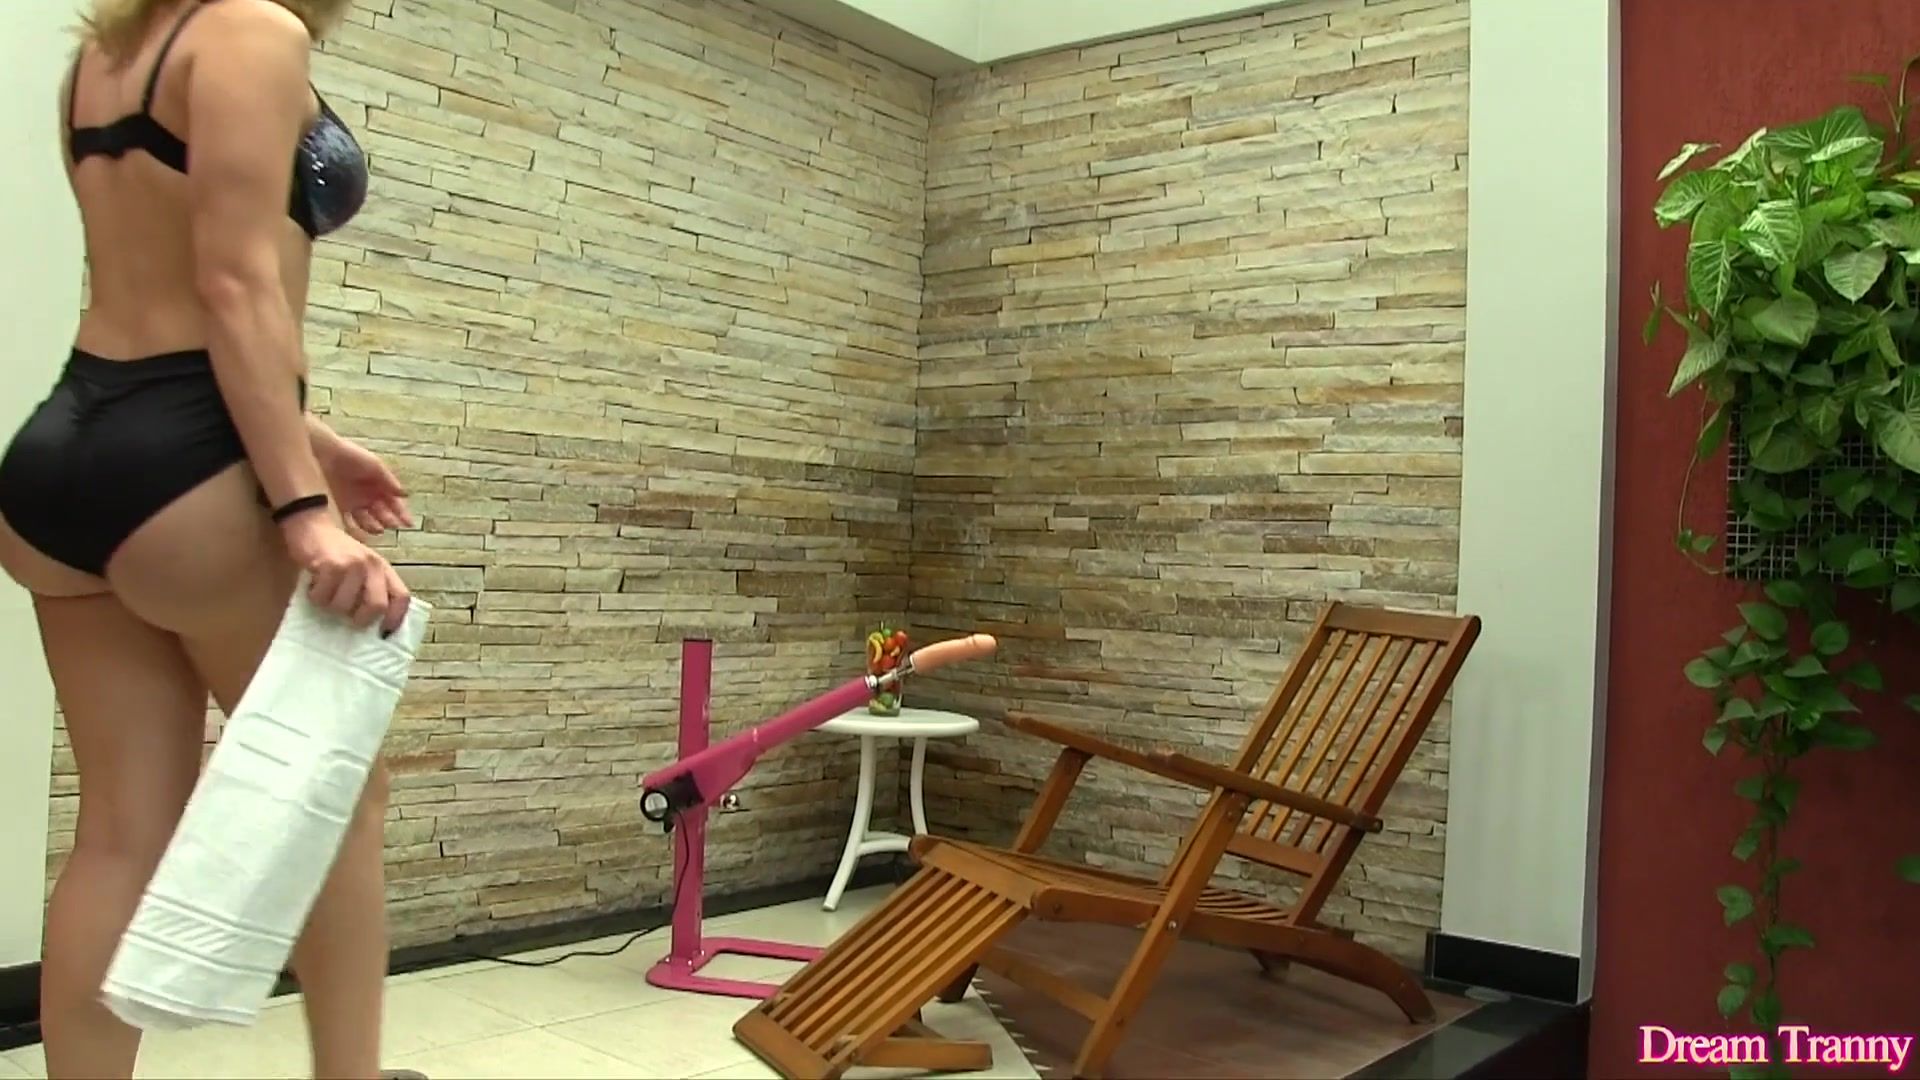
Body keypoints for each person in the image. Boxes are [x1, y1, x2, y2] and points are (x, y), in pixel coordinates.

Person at [0, 0, 424, 1077]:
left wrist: (312, 440)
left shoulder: (107, 53)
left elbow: (152, 287)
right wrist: (303, 510)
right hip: (191, 469)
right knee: (338, 792)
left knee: (123, 830)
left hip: (70, 448)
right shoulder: (253, 29)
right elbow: (234, 283)